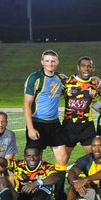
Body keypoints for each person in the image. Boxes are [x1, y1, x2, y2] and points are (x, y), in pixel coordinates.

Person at [23, 50, 68, 180]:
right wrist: (30, 128)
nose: (50, 64)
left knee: (63, 157)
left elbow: (79, 81)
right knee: (35, 159)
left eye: (53, 61)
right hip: (37, 123)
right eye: (47, 61)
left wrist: (95, 78)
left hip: (54, 123)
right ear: (42, 62)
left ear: (57, 62)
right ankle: (33, 190)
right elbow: (26, 105)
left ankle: (59, 196)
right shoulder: (34, 77)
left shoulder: (61, 78)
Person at [61, 56, 100, 160]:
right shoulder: (67, 82)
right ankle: (61, 176)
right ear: (78, 67)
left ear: (92, 69)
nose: (86, 69)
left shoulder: (94, 84)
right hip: (69, 126)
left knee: (93, 158)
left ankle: (93, 176)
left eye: (89, 66)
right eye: (83, 66)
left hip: (87, 126)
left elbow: (95, 102)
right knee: (63, 158)